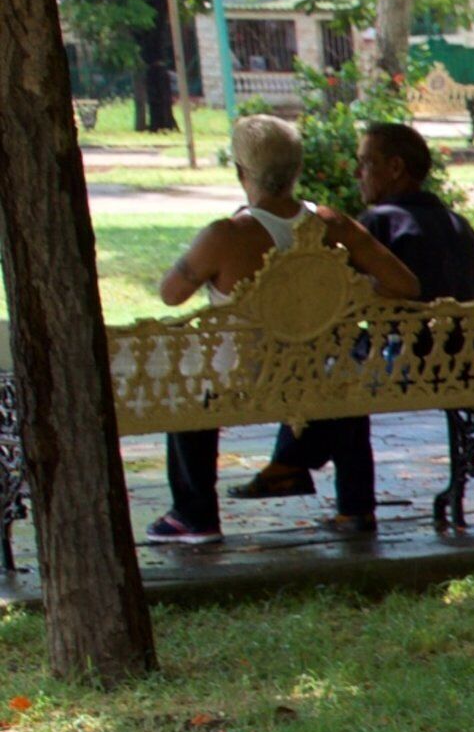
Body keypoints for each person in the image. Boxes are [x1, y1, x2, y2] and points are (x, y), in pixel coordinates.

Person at [148, 115, 418, 546]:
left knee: (187, 393)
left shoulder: (225, 235)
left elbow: (170, 294)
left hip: (243, 379)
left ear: (241, 172)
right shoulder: (334, 225)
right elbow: (406, 285)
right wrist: (349, 289)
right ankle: (355, 508)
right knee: (343, 380)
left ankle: (193, 514)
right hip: (320, 371)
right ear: (297, 170)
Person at [228, 123, 474, 519]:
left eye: (365, 163)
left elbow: (330, 293)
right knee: (343, 367)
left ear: (396, 167)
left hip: (406, 363)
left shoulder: (379, 222)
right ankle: (294, 470)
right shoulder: (457, 224)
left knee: (332, 372)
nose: (357, 174)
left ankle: (300, 471)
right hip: (462, 362)